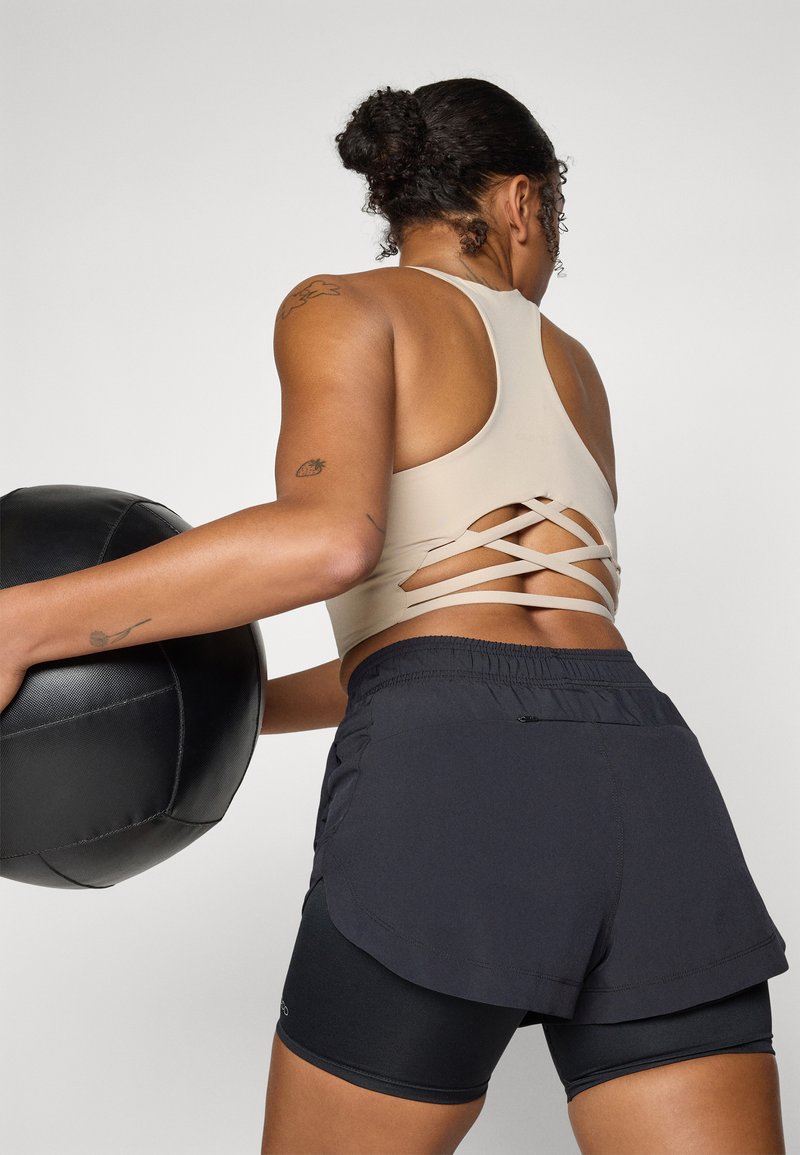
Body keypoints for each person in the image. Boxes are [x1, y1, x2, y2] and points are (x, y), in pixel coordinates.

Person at [0, 78, 788, 1155]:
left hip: (453, 768)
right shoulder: (575, 369)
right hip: (644, 767)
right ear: (521, 201)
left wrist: (24, 622)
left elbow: (332, 545)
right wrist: (234, 701)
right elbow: (492, 636)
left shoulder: (345, 304)